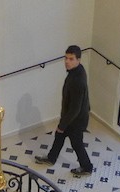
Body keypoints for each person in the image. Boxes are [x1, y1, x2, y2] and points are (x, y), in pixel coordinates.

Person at [34, 45, 94, 177]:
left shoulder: (78, 80)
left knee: (76, 143)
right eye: (66, 58)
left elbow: (75, 108)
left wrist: (63, 125)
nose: (67, 61)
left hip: (76, 120)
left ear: (78, 60)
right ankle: (51, 158)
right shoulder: (77, 71)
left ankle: (87, 167)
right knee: (59, 136)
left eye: (71, 59)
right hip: (71, 117)